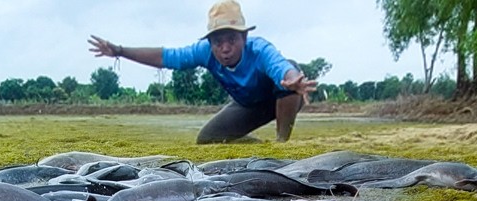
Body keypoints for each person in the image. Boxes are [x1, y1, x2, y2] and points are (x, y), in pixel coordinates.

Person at [89, 1, 318, 144]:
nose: (225, 48)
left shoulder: (259, 49)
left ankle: (281, 143)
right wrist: (119, 50)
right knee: (208, 138)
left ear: (244, 37)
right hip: (248, 104)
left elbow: (280, 66)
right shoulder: (204, 52)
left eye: (231, 39)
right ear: (210, 42)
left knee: (288, 79)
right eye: (218, 42)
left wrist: (292, 80)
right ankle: (262, 148)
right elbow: (166, 57)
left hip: (281, 97)